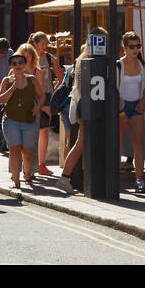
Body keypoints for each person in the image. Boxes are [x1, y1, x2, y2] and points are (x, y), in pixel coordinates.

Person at [0, 46, 43, 190]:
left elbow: (42, 96)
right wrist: (13, 88)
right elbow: (1, 100)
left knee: (28, 152)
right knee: (14, 150)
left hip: (29, 120)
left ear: (24, 65)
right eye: (14, 63)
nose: (17, 65)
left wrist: (37, 108)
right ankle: (16, 181)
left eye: (20, 62)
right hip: (11, 120)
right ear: (11, 65)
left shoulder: (32, 79)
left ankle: (28, 176)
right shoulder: (7, 81)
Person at [29, 32, 65, 176]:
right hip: (31, 96)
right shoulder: (29, 57)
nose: (45, 47)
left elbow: (61, 77)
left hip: (46, 96)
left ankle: (41, 164)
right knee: (31, 130)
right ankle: (30, 164)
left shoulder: (50, 58)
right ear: (35, 44)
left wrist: (53, 92)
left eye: (46, 44)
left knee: (43, 130)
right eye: (42, 44)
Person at [118, 33, 145, 192]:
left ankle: (139, 179)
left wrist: (143, 101)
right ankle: (113, 177)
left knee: (138, 143)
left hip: (136, 105)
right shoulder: (119, 65)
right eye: (132, 47)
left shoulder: (142, 64)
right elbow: (114, 90)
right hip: (121, 107)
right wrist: (120, 108)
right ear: (124, 48)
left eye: (138, 46)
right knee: (118, 142)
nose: (136, 49)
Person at [58, 46, 86, 193]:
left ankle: (65, 178)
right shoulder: (85, 61)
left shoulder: (80, 61)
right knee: (79, 143)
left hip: (81, 106)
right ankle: (64, 177)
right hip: (87, 107)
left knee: (79, 144)